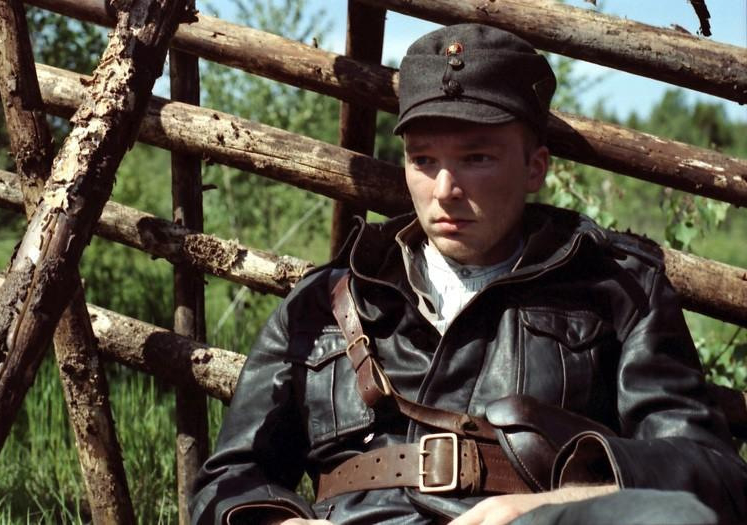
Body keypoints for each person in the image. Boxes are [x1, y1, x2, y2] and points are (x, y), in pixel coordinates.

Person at [190, 24, 747, 525]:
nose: (445, 190)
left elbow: (709, 474)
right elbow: (228, 481)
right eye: (423, 160)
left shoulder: (616, 288)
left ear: (534, 168)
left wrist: (551, 506)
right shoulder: (329, 298)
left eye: (477, 158)